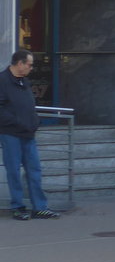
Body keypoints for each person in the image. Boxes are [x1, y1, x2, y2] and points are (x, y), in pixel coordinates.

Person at [0, 49, 59, 219]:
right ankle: (18, 207)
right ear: (20, 64)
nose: (31, 68)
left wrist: (35, 121)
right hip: (11, 133)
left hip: (28, 133)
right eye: (29, 64)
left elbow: (29, 104)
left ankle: (40, 207)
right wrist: (18, 122)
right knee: (13, 171)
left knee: (34, 170)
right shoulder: (2, 81)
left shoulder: (23, 81)